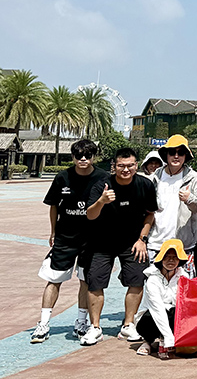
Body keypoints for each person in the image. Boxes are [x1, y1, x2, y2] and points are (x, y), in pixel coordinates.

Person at [33, 139, 108, 344]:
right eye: (78, 155)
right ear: (73, 157)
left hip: (91, 238)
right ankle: (43, 324)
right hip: (65, 237)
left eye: (88, 155)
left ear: (94, 157)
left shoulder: (103, 177)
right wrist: (53, 231)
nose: (83, 159)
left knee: (85, 280)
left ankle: (81, 323)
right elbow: (53, 205)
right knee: (54, 279)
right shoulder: (62, 177)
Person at [81, 147, 156, 347]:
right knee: (95, 281)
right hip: (101, 242)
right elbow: (90, 215)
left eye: (130, 165)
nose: (125, 169)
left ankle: (128, 324)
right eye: (121, 166)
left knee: (137, 278)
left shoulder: (145, 185)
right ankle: (95, 327)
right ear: (114, 166)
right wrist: (101, 201)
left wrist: (142, 239)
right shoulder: (101, 185)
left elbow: (150, 214)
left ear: (136, 165)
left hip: (132, 242)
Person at [148, 135, 197, 273]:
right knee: (154, 284)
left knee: (183, 285)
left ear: (186, 156)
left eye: (181, 153)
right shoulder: (155, 177)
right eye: (172, 152)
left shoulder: (194, 178)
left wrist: (189, 198)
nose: (176, 156)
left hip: (183, 245)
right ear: (166, 155)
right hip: (156, 243)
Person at [134, 239, 188, 360]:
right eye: (167, 257)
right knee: (151, 316)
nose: (171, 260)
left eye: (175, 257)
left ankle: (166, 340)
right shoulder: (152, 280)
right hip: (150, 318)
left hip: (172, 315)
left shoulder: (184, 277)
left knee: (176, 312)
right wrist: (169, 337)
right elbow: (157, 308)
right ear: (161, 258)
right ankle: (148, 341)